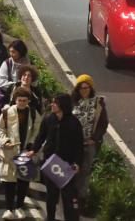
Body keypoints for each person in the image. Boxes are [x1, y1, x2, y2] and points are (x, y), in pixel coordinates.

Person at [26, 93, 84, 221]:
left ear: (62, 106)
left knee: (67, 196)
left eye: (55, 103)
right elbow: (41, 136)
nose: (52, 105)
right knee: (51, 195)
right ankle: (50, 218)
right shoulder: (48, 119)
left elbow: (79, 145)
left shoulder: (74, 123)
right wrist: (34, 150)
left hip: (66, 164)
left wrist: (77, 163)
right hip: (50, 162)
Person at [0, 87, 41, 220]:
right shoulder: (7, 112)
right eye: (19, 100)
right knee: (9, 182)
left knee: (23, 181)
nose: (21, 103)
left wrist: (31, 145)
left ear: (28, 101)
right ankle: (9, 208)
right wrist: (5, 141)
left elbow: (37, 131)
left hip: (25, 152)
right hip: (9, 152)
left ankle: (19, 206)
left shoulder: (33, 113)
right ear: (15, 100)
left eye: (24, 100)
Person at [71, 74, 108, 206]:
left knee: (85, 170)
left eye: (86, 88)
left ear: (91, 88)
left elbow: (103, 123)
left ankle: (82, 197)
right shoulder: (72, 102)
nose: (84, 90)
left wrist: (95, 138)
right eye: (81, 88)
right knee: (72, 169)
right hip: (73, 144)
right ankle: (71, 194)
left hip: (89, 143)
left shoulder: (98, 103)